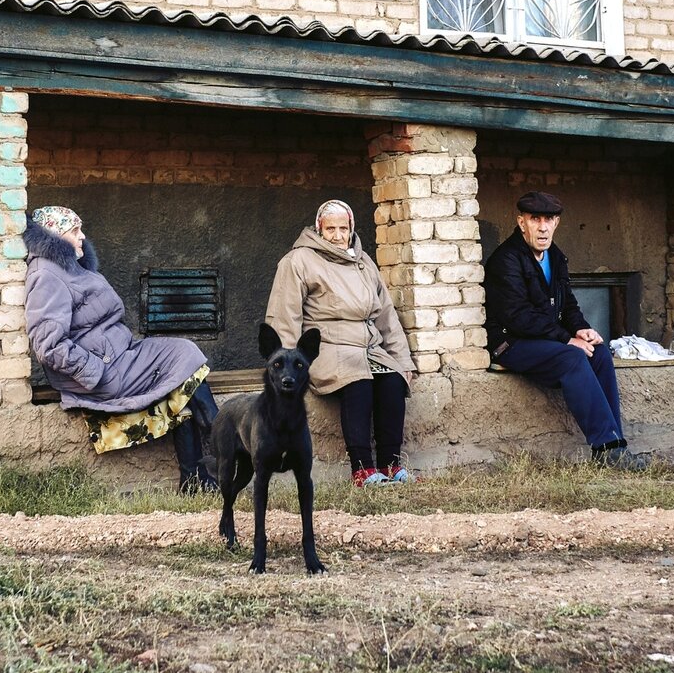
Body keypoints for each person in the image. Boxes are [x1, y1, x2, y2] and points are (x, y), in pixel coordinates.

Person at [23, 206, 219, 492]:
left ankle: (196, 478)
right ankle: (226, 444)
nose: (82, 236)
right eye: (74, 230)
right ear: (55, 235)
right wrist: (95, 370)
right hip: (103, 374)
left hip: (121, 358)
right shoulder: (46, 275)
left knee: (184, 372)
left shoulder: (68, 266)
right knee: (186, 357)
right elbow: (48, 345)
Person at [483, 191, 646, 470]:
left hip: (545, 341)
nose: (542, 227)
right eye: (535, 219)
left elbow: (567, 303)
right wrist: (566, 339)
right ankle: (606, 447)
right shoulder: (506, 259)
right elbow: (519, 317)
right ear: (522, 223)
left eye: (549, 219)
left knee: (599, 354)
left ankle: (614, 446)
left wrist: (581, 329)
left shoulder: (555, 256)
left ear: (556, 223)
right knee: (572, 356)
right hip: (511, 343)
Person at [266, 199, 417, 487]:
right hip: (328, 347)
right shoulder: (298, 261)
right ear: (319, 229)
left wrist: (402, 360)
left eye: (343, 229)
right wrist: (286, 369)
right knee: (357, 381)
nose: (337, 235)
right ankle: (362, 470)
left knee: (393, 380)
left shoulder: (364, 261)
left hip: (369, 347)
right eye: (330, 229)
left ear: (351, 229)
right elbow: (285, 315)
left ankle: (391, 465)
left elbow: (387, 315)